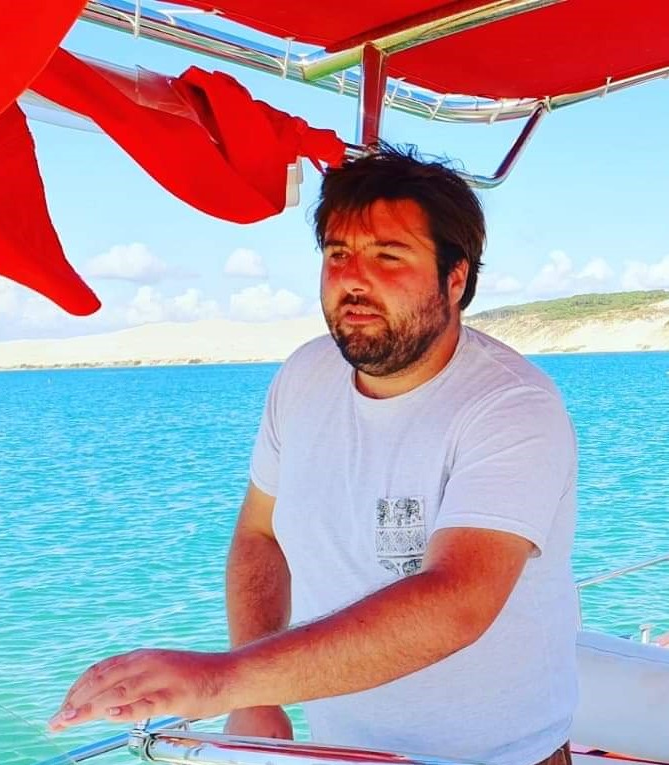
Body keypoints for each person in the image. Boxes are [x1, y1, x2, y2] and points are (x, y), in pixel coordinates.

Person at [49, 147, 578, 765]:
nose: (354, 279)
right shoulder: (305, 377)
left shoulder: (511, 406)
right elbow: (261, 534)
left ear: (455, 278)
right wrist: (259, 697)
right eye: (337, 254)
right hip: (339, 751)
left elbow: (456, 601)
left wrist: (223, 680)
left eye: (388, 256)